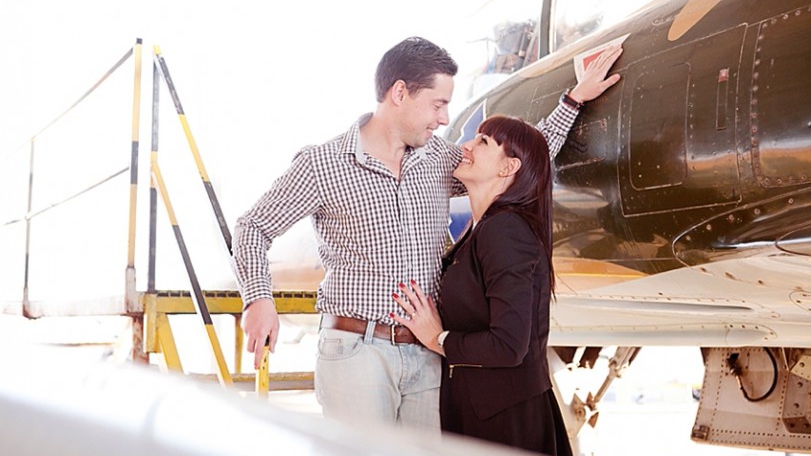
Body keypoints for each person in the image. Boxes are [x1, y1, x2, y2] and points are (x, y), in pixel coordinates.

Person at [231, 36, 622, 430]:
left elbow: (511, 163)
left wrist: (573, 100)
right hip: (357, 352)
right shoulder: (322, 165)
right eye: (437, 104)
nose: (444, 118)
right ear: (400, 93)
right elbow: (253, 227)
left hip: (430, 353)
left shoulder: (437, 158)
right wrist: (257, 300)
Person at [391, 115, 572, 456]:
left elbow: (508, 345)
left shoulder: (505, 230)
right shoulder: (482, 230)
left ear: (508, 167)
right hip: (484, 416)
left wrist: (438, 339)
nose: (466, 147)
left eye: (483, 142)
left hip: (505, 423)